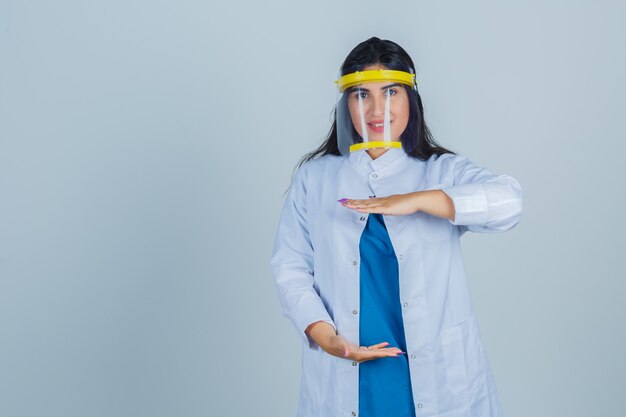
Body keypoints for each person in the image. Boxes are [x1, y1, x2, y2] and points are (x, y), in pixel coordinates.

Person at [270, 37, 523, 417]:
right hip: (348, 368)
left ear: (411, 99)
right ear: (345, 104)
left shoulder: (441, 171)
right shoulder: (316, 177)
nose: (377, 110)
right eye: (361, 95)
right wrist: (325, 336)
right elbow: (290, 267)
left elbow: (509, 203)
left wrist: (418, 200)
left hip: (434, 376)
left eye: (390, 92)